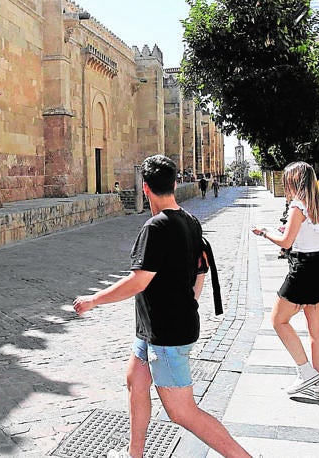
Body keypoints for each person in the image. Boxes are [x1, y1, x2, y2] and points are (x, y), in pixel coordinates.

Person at [73, 155, 251, 458]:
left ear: (145, 188)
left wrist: (93, 300)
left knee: (183, 412)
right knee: (136, 381)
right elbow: (201, 270)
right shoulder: (190, 221)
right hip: (152, 330)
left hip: (166, 334)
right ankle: (135, 454)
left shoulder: (155, 228)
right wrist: (189, 304)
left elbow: (138, 281)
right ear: (175, 183)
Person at [251, 161, 319, 401]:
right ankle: (318, 386)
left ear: (293, 182)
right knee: (317, 330)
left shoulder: (297, 206)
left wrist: (265, 231)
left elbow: (286, 243)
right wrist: (290, 229)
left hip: (303, 270)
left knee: (279, 320)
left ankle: (305, 372)